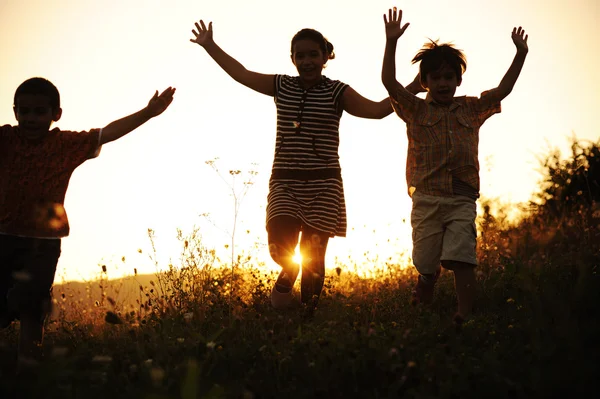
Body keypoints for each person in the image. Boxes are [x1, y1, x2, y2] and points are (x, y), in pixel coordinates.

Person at [190, 21, 423, 316]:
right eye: (300, 56)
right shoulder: (282, 85)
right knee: (279, 246)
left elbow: (376, 111)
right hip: (285, 183)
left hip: (324, 186)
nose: (306, 61)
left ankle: (308, 315)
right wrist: (210, 45)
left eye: (313, 55)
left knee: (314, 258)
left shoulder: (338, 92)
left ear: (326, 57)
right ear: (292, 59)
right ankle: (288, 274)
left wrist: (412, 86)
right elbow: (242, 74)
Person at [0, 77, 175, 368]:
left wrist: (148, 112)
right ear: (15, 111)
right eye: (24, 111)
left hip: (42, 245)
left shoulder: (66, 144)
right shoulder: (4, 140)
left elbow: (107, 133)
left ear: (55, 114)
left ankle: (27, 370)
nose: (31, 118)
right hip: (3, 236)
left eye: (39, 112)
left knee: (33, 310)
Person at [381, 7, 528, 323]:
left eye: (449, 76)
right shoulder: (417, 111)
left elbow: (503, 90)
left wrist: (520, 55)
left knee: (462, 257)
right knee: (426, 260)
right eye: (436, 77)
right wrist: (391, 41)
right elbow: (390, 83)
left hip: (462, 197)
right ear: (425, 82)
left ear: (459, 79)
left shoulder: (471, 109)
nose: (444, 82)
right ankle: (426, 280)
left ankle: (464, 312)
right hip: (426, 199)